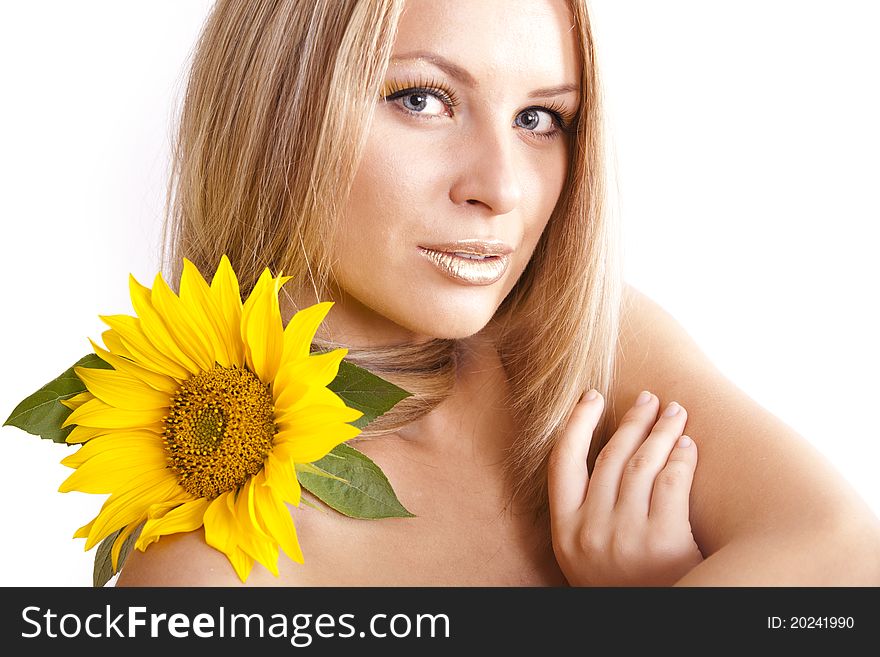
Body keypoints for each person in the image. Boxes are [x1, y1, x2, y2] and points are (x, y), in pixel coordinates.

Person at [115, 0, 880, 586]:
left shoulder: (576, 344)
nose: (503, 187)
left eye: (540, 117)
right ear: (271, 108)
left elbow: (845, 559)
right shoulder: (207, 561)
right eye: (422, 99)